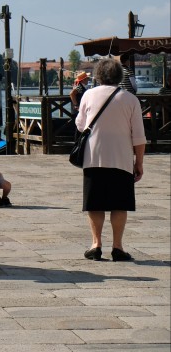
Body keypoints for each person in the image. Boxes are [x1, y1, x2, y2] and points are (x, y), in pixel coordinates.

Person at [76, 57, 146, 261]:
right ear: (119, 76)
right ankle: (117, 246)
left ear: (98, 76)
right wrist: (139, 163)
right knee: (119, 203)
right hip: (121, 158)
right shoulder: (131, 99)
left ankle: (96, 244)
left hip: (93, 156)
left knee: (95, 203)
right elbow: (139, 136)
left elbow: (80, 125)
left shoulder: (88, 95)